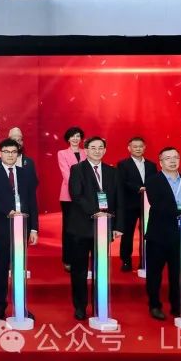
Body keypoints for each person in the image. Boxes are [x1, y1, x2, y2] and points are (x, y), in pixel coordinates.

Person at [67, 137, 122, 321]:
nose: (97, 151)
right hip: (81, 227)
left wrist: (118, 225)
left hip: (104, 227)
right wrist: (96, 212)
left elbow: (119, 200)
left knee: (101, 269)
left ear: (105, 150)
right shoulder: (77, 169)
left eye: (100, 148)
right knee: (79, 270)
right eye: (93, 148)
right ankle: (80, 306)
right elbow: (76, 195)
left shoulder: (112, 172)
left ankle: (100, 305)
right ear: (86, 150)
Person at [0, 138, 38, 320]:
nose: (10, 155)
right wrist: (9, 211)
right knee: (2, 265)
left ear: (18, 154)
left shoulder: (26, 174)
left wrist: (34, 228)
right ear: (0, 154)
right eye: (7, 152)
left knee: (19, 266)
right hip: (1, 225)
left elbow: (32, 202)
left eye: (14, 152)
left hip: (23, 225)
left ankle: (20, 306)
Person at [143, 147, 181, 320]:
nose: (172, 161)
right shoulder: (153, 181)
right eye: (168, 158)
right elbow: (159, 205)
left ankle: (177, 305)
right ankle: (154, 305)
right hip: (159, 235)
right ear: (161, 162)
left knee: (178, 273)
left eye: (176, 157)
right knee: (155, 273)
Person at [116, 137, 159, 272]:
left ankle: (145, 260)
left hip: (148, 205)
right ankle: (126, 260)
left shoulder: (151, 165)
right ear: (129, 148)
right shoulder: (123, 164)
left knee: (147, 233)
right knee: (127, 233)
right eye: (135, 147)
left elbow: (155, 181)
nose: (138, 149)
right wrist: (138, 188)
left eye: (140, 146)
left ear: (144, 147)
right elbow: (122, 182)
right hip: (130, 204)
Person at [57, 126, 87, 273]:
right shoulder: (62, 153)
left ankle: (81, 258)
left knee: (83, 228)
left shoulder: (86, 152)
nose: (75, 138)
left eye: (78, 136)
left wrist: (85, 191)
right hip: (68, 196)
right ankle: (68, 259)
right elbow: (66, 174)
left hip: (85, 196)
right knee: (68, 228)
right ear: (68, 139)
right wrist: (77, 189)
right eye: (73, 136)